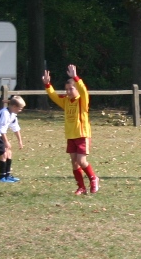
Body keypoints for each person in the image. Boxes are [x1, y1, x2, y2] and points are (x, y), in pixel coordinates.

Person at [42, 65, 100, 195]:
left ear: (77, 89)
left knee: (81, 161)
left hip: (82, 134)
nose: (68, 92)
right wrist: (47, 85)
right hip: (70, 135)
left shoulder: (82, 100)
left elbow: (84, 90)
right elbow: (54, 96)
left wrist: (75, 77)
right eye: (66, 89)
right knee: (74, 163)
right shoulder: (66, 101)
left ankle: (93, 178)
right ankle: (81, 187)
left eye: (71, 89)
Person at [0, 96, 25, 183]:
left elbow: (15, 128)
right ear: (14, 106)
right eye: (20, 108)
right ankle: (2, 178)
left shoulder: (13, 115)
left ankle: (8, 175)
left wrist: (20, 141)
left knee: (9, 153)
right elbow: (1, 129)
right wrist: (6, 142)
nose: (21, 110)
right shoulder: (4, 113)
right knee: (3, 154)